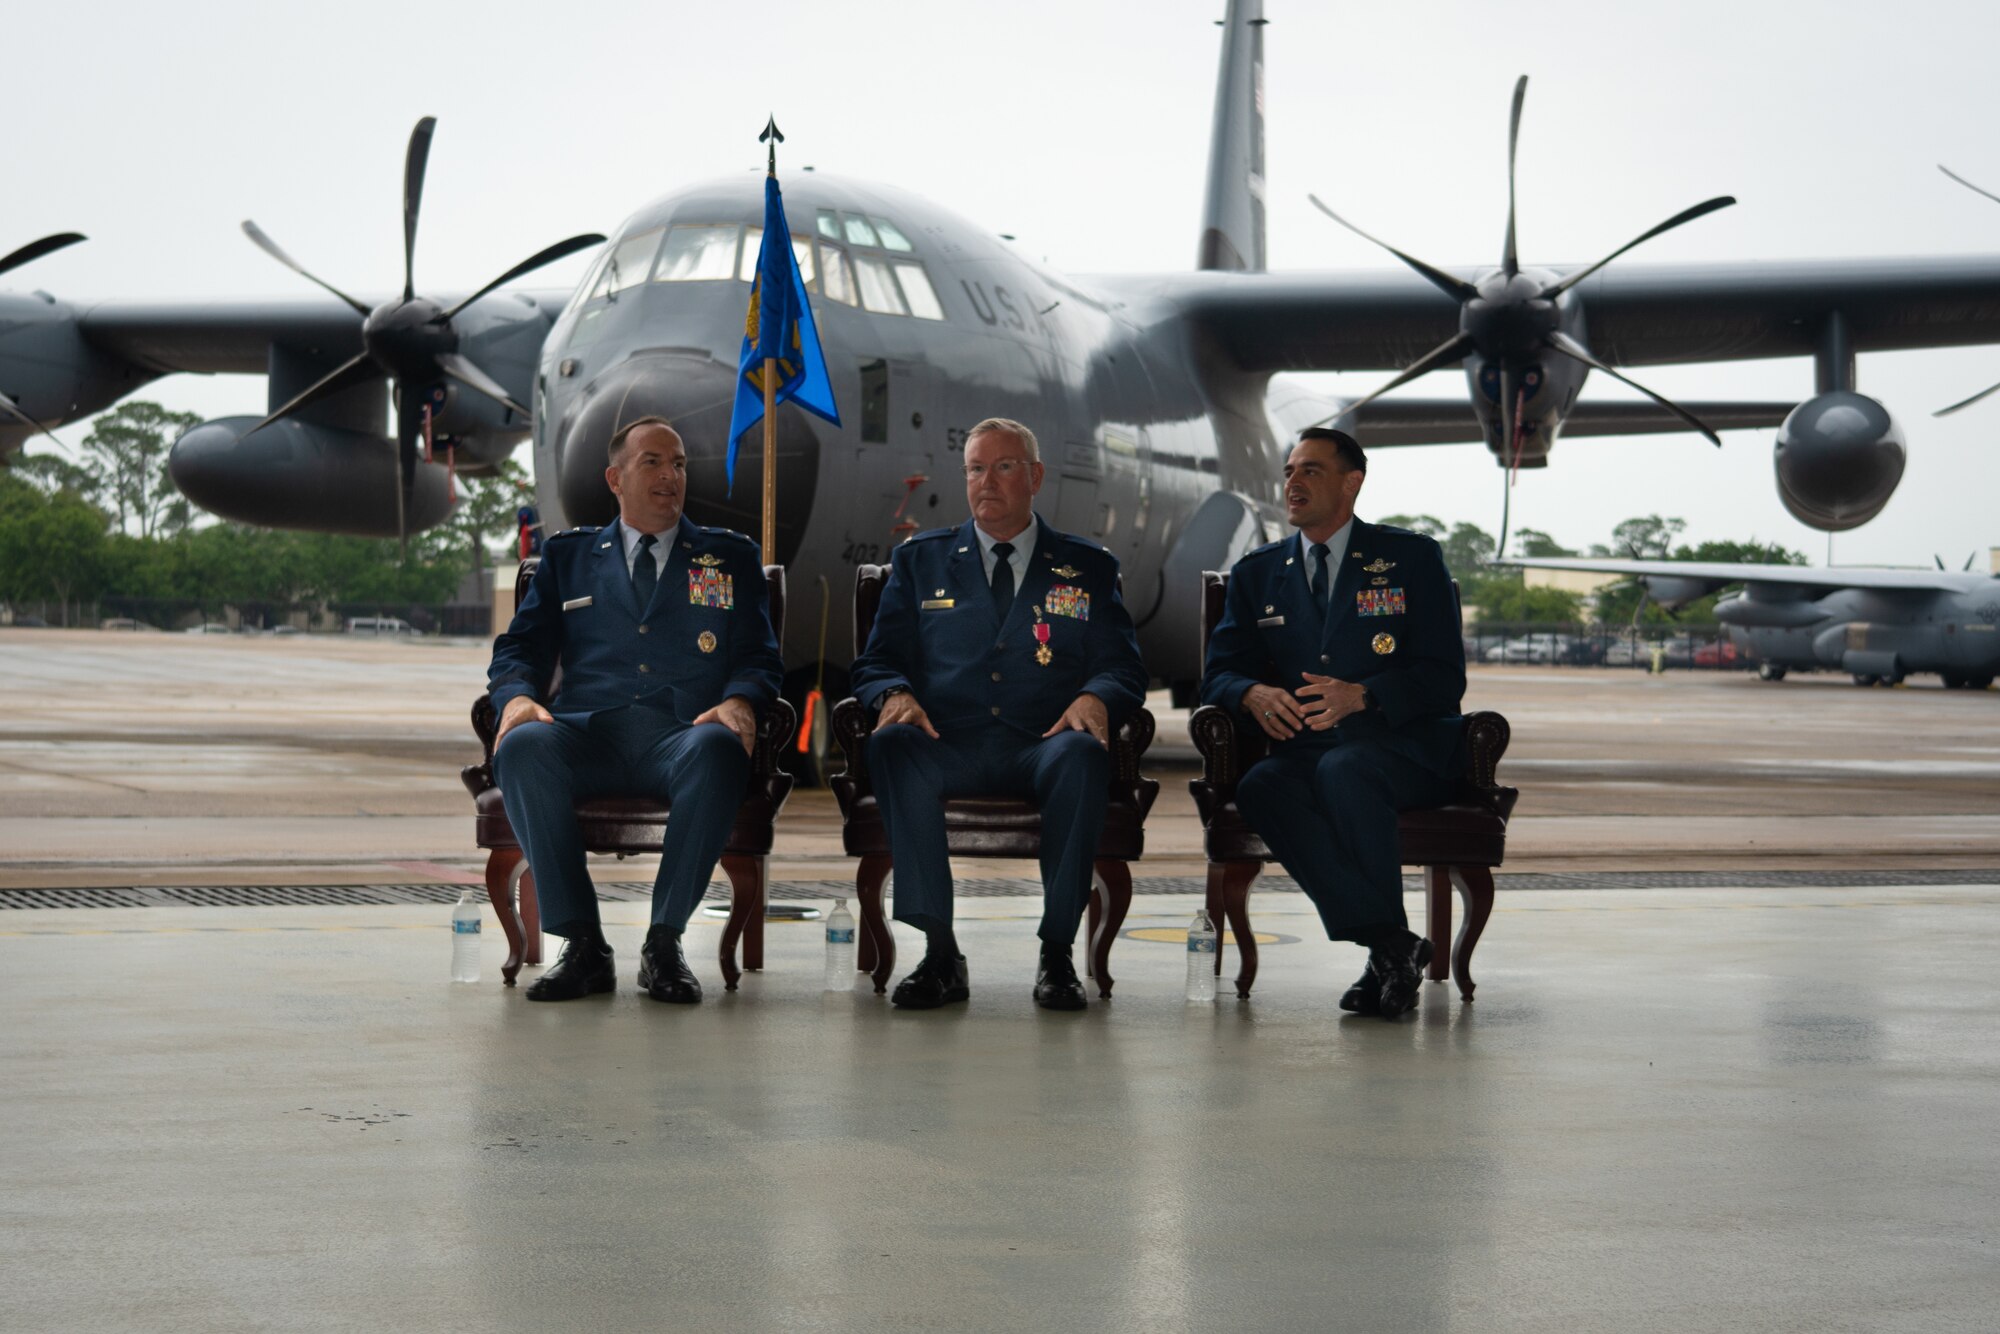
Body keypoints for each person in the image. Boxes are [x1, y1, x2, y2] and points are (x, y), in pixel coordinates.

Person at [850, 417, 1149, 1012]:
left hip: (1044, 742)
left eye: (1004, 466)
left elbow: (1123, 668)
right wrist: (894, 694)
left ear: (1035, 476)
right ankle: (939, 952)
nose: (987, 481)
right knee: (888, 745)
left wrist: (1095, 697)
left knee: (1085, 756)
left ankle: (1058, 952)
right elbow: (876, 662)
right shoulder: (920, 562)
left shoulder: (1087, 567)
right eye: (976, 468)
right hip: (948, 742)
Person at [487, 417, 782, 1004]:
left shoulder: (727, 557)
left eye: (678, 464)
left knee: (719, 747)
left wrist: (741, 699)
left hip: (681, 735)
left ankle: (664, 943)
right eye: (652, 462)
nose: (670, 475)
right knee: (522, 747)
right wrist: (517, 696)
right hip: (586, 734)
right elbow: (521, 648)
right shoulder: (569, 557)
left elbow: (758, 654)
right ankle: (585, 944)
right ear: (615, 478)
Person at [1198, 428, 1466, 1019]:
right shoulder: (1256, 573)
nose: (1293, 483)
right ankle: (1392, 945)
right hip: (1307, 751)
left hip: (1405, 751)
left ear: (1352, 482)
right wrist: (1251, 691)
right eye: (1290, 471)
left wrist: (1365, 695)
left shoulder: (1410, 557)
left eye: (1311, 471)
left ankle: (1384, 953)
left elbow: (1445, 677)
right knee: (1261, 786)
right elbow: (1217, 674)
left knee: (1348, 769)